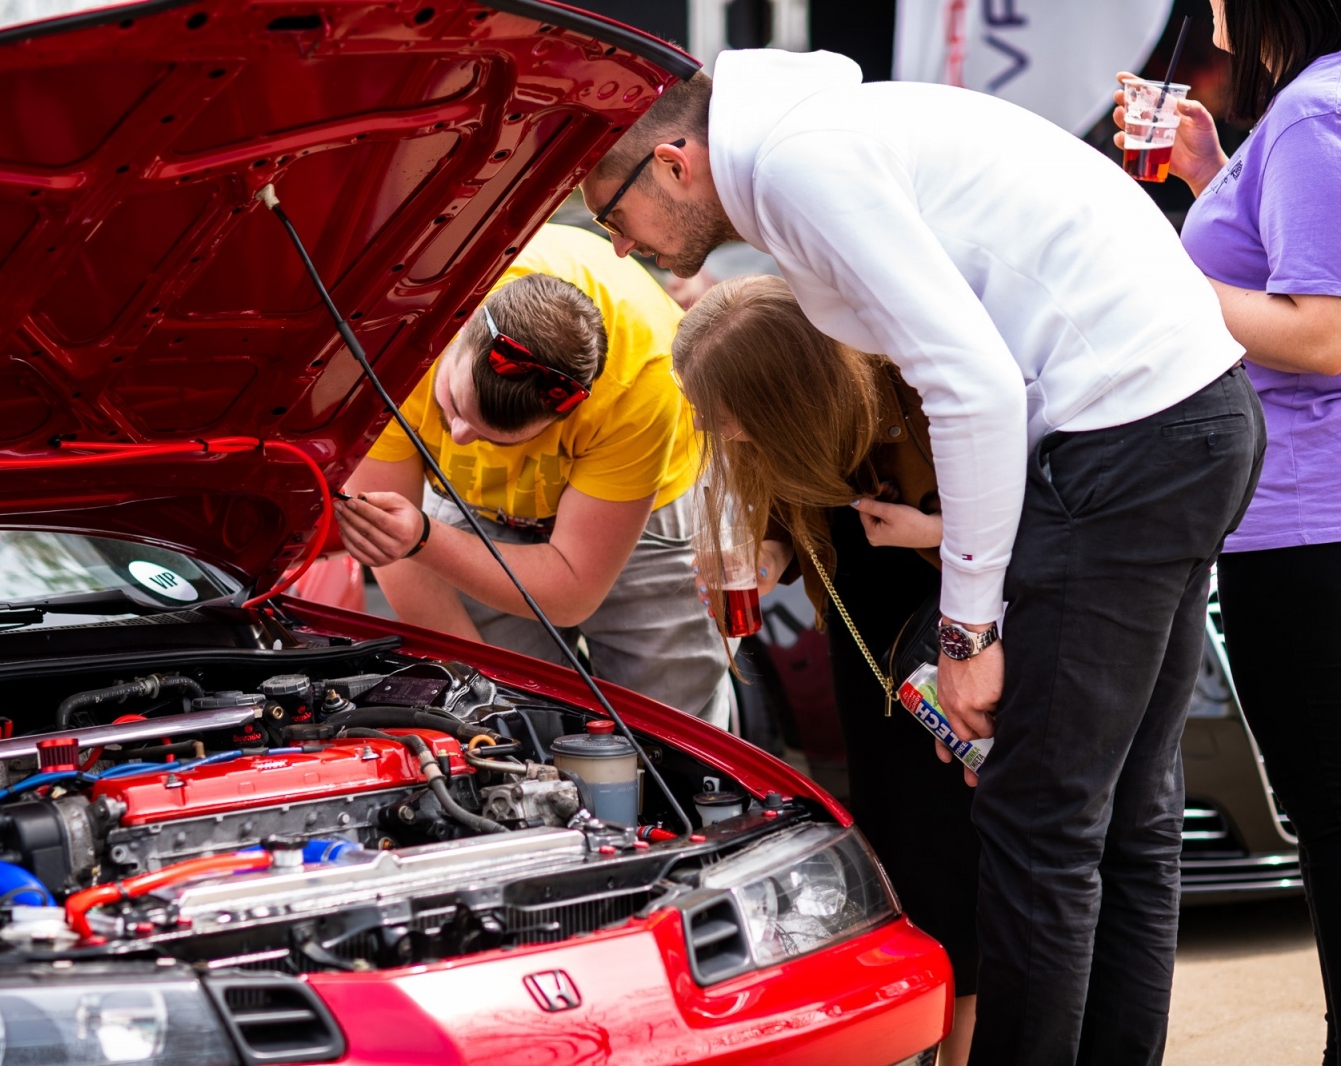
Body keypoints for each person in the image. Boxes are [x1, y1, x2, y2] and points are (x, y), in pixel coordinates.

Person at [582, 54, 1265, 1065]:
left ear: (676, 163)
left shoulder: (801, 162)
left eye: (613, 212)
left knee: (1039, 825)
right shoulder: (828, 136)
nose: (619, 241)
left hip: (1126, 435)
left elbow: (973, 386)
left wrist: (969, 630)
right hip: (1190, 417)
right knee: (1123, 817)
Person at [1112, 2, 1341, 1060]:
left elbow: (1323, 335)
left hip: (1304, 533)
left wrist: (1153, 274)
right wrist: (1213, 177)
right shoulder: (1302, 113)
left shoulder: (1310, 112)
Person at [675, 273, 977, 1065]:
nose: (718, 431)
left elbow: (1022, 543)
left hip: (951, 657)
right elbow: (792, 530)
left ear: (781, 390)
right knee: (914, 884)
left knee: (966, 904)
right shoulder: (790, 433)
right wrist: (765, 552)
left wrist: (926, 533)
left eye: (723, 411)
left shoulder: (911, 405)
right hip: (866, 668)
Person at [334, 224, 732, 726]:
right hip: (465, 508)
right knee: (514, 717)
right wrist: (476, 695)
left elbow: (571, 590)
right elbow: (388, 543)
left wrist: (422, 538)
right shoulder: (396, 339)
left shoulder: (640, 384)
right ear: (462, 331)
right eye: (454, 405)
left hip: (646, 511)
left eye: (494, 439)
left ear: (564, 419)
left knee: (669, 722)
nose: (456, 435)